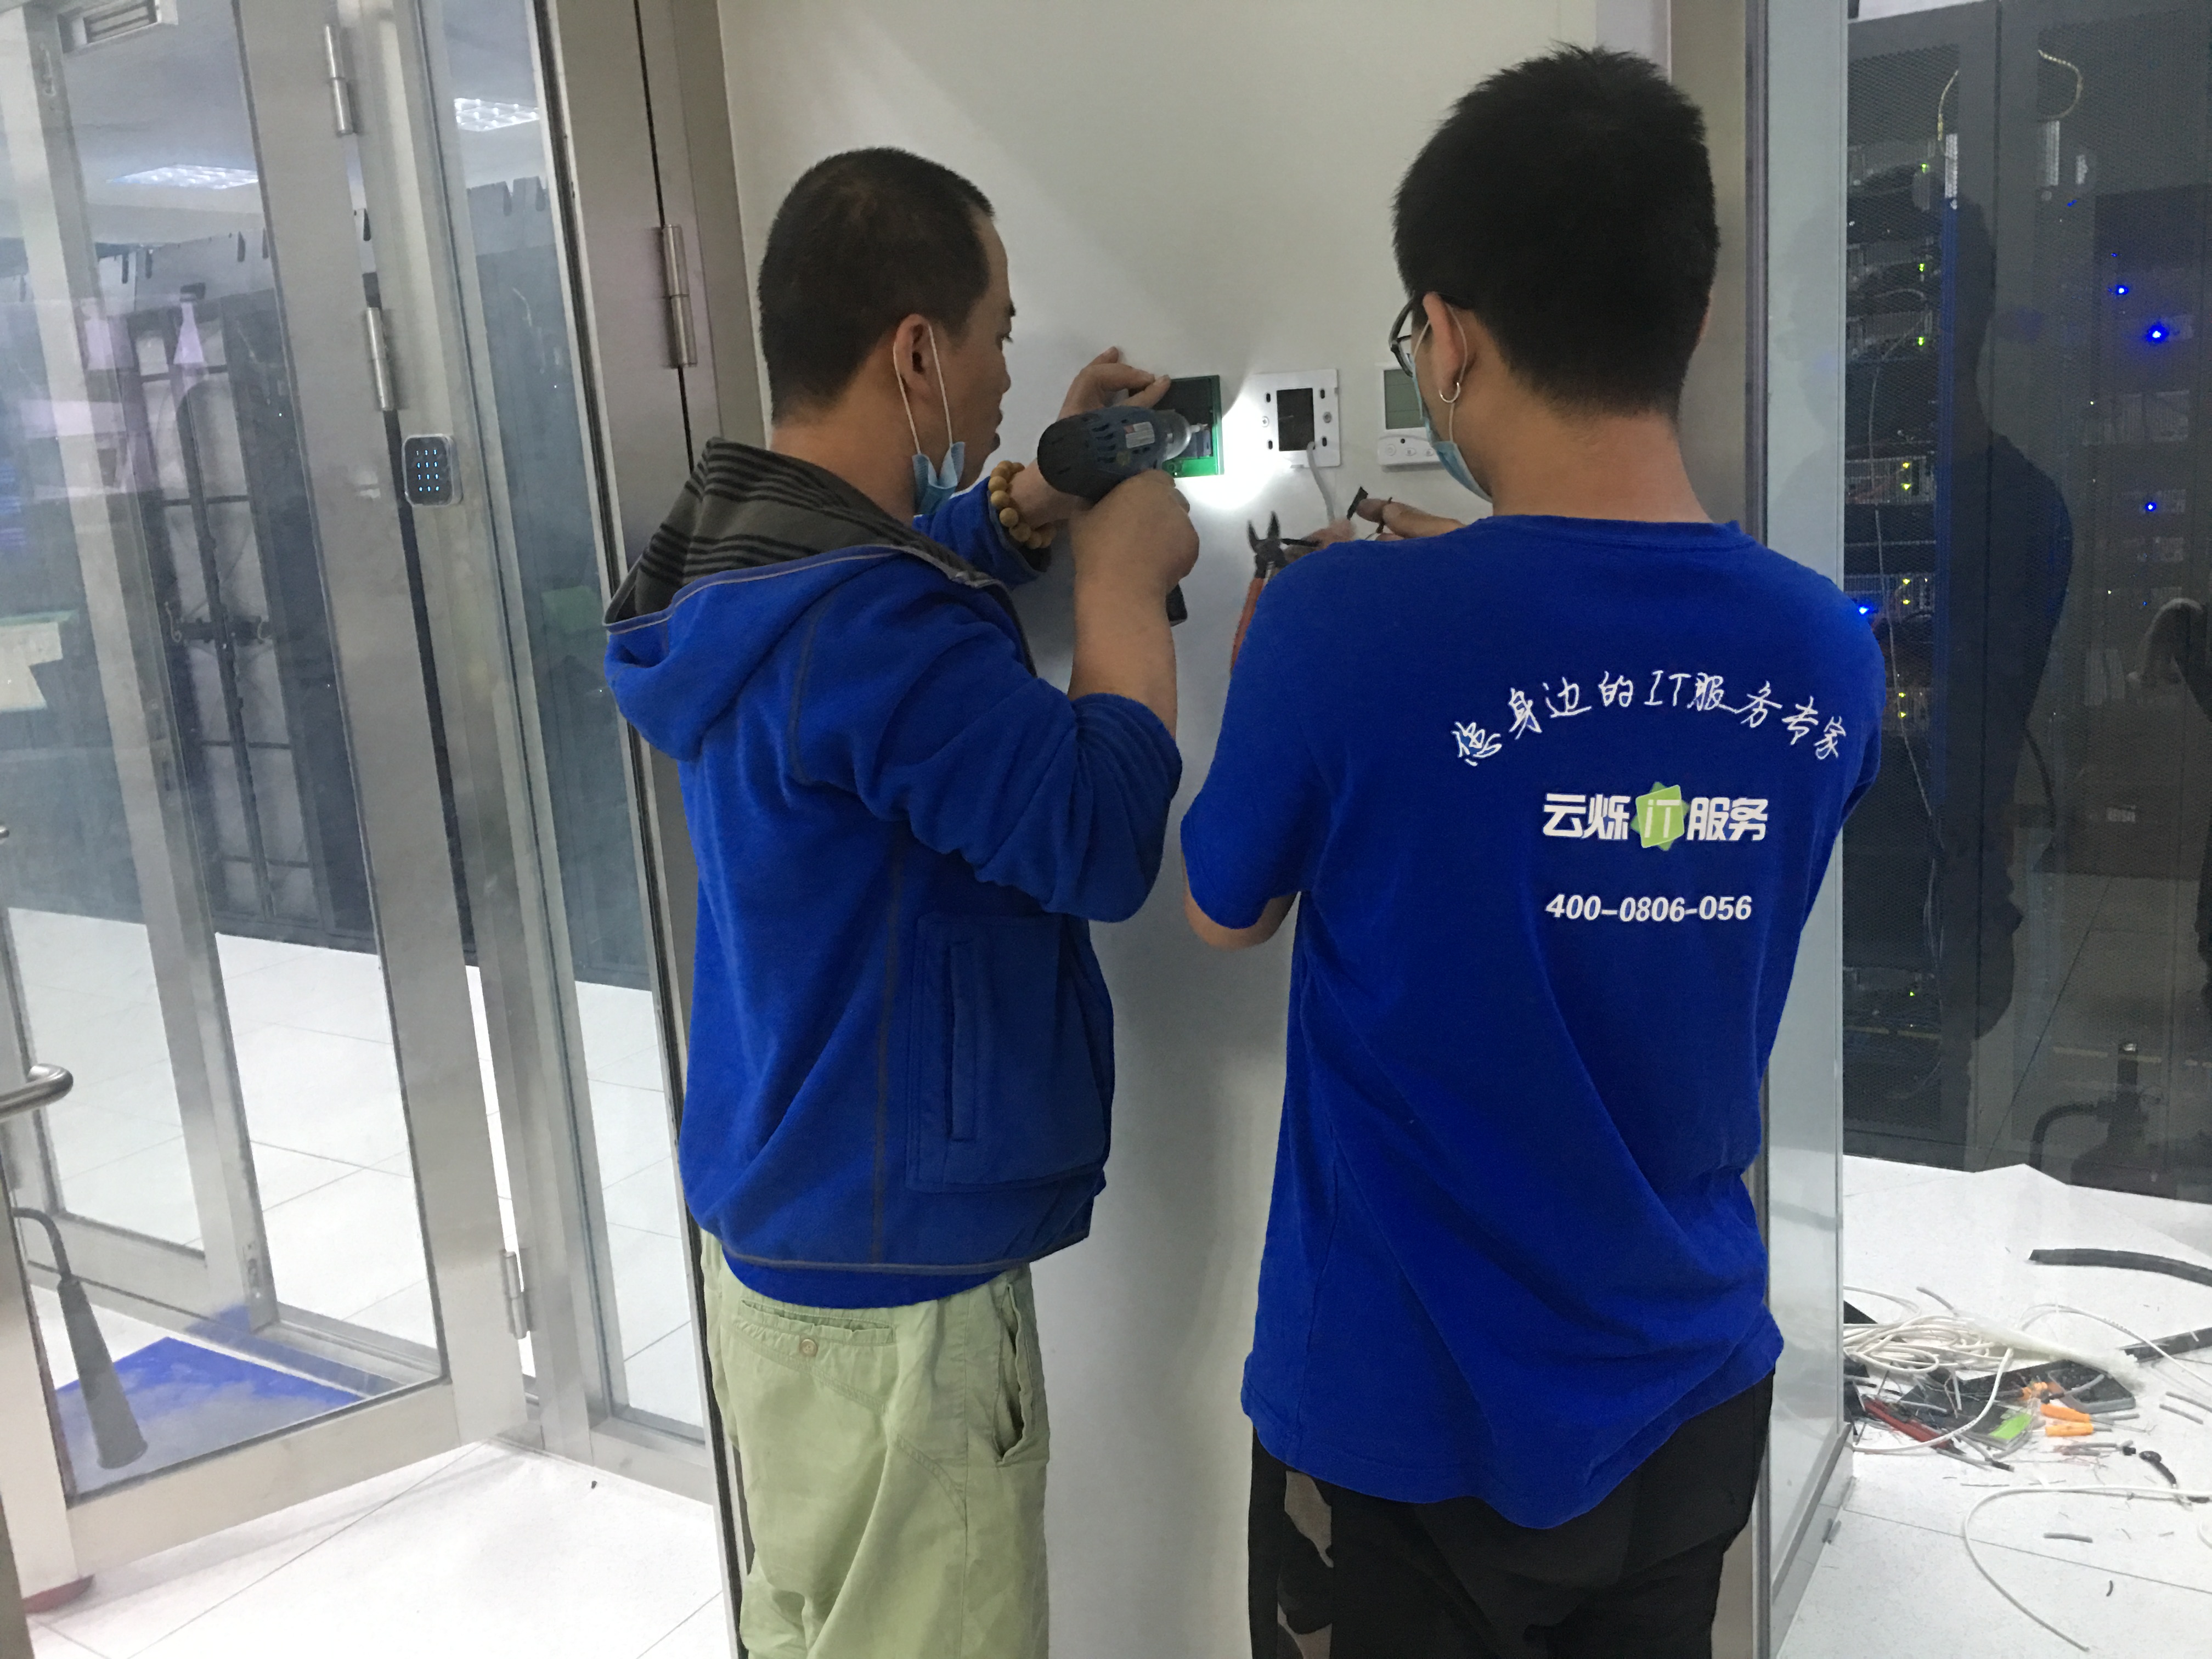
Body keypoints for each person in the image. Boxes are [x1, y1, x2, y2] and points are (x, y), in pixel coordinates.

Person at [1180, 49, 1885, 1659]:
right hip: (1688, 1392)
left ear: (1447, 336)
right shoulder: (1825, 657)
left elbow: (1226, 909)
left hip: (1404, 1426)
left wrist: (1314, 654)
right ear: (1693, 313)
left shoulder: (1336, 630)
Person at [605, 147, 1196, 1658]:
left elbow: (880, 613)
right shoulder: (871, 626)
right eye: (997, 335)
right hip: (896, 1310)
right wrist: (1122, 586)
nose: (1004, 375)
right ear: (918, 352)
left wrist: (1032, 500)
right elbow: (1097, 834)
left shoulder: (745, 574)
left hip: (787, 1242)